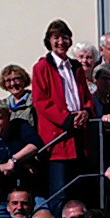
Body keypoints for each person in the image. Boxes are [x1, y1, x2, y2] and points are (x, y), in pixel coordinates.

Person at [32, 19, 96, 205]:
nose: (61, 42)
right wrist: (67, 119)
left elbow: (86, 97)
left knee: (80, 191)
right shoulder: (42, 67)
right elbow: (41, 101)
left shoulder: (76, 67)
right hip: (58, 139)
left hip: (79, 138)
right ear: (49, 41)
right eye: (56, 38)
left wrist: (86, 112)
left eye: (65, 37)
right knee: (59, 192)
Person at [0, 64, 37, 129]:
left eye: (16, 79)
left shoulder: (35, 100)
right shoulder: (3, 105)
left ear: (24, 79)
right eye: (8, 80)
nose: (13, 84)